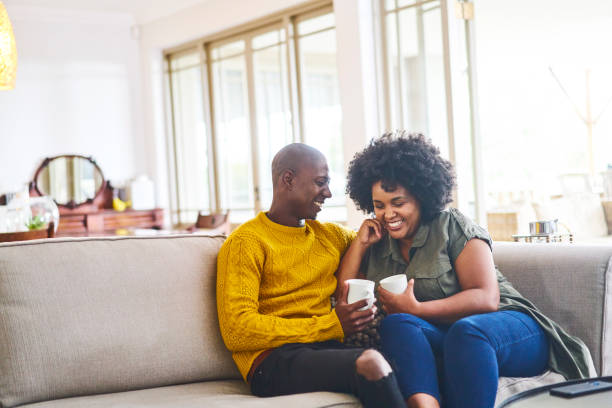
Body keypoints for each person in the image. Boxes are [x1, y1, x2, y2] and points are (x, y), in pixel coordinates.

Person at [337, 132, 594, 408]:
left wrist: (417, 310)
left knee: (466, 332)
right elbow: (346, 296)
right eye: (379, 206)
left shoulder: (451, 226)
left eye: (398, 203)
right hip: (449, 338)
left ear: (421, 197)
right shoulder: (378, 243)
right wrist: (359, 245)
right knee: (397, 324)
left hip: (510, 330)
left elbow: (486, 299)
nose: (388, 214)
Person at [216, 143, 406, 407]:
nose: (328, 193)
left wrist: (363, 241)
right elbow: (237, 330)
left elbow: (380, 244)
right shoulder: (246, 242)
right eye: (320, 182)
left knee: (406, 363)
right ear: (288, 180)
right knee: (371, 363)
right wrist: (329, 325)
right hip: (271, 361)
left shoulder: (330, 235)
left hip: (324, 349)